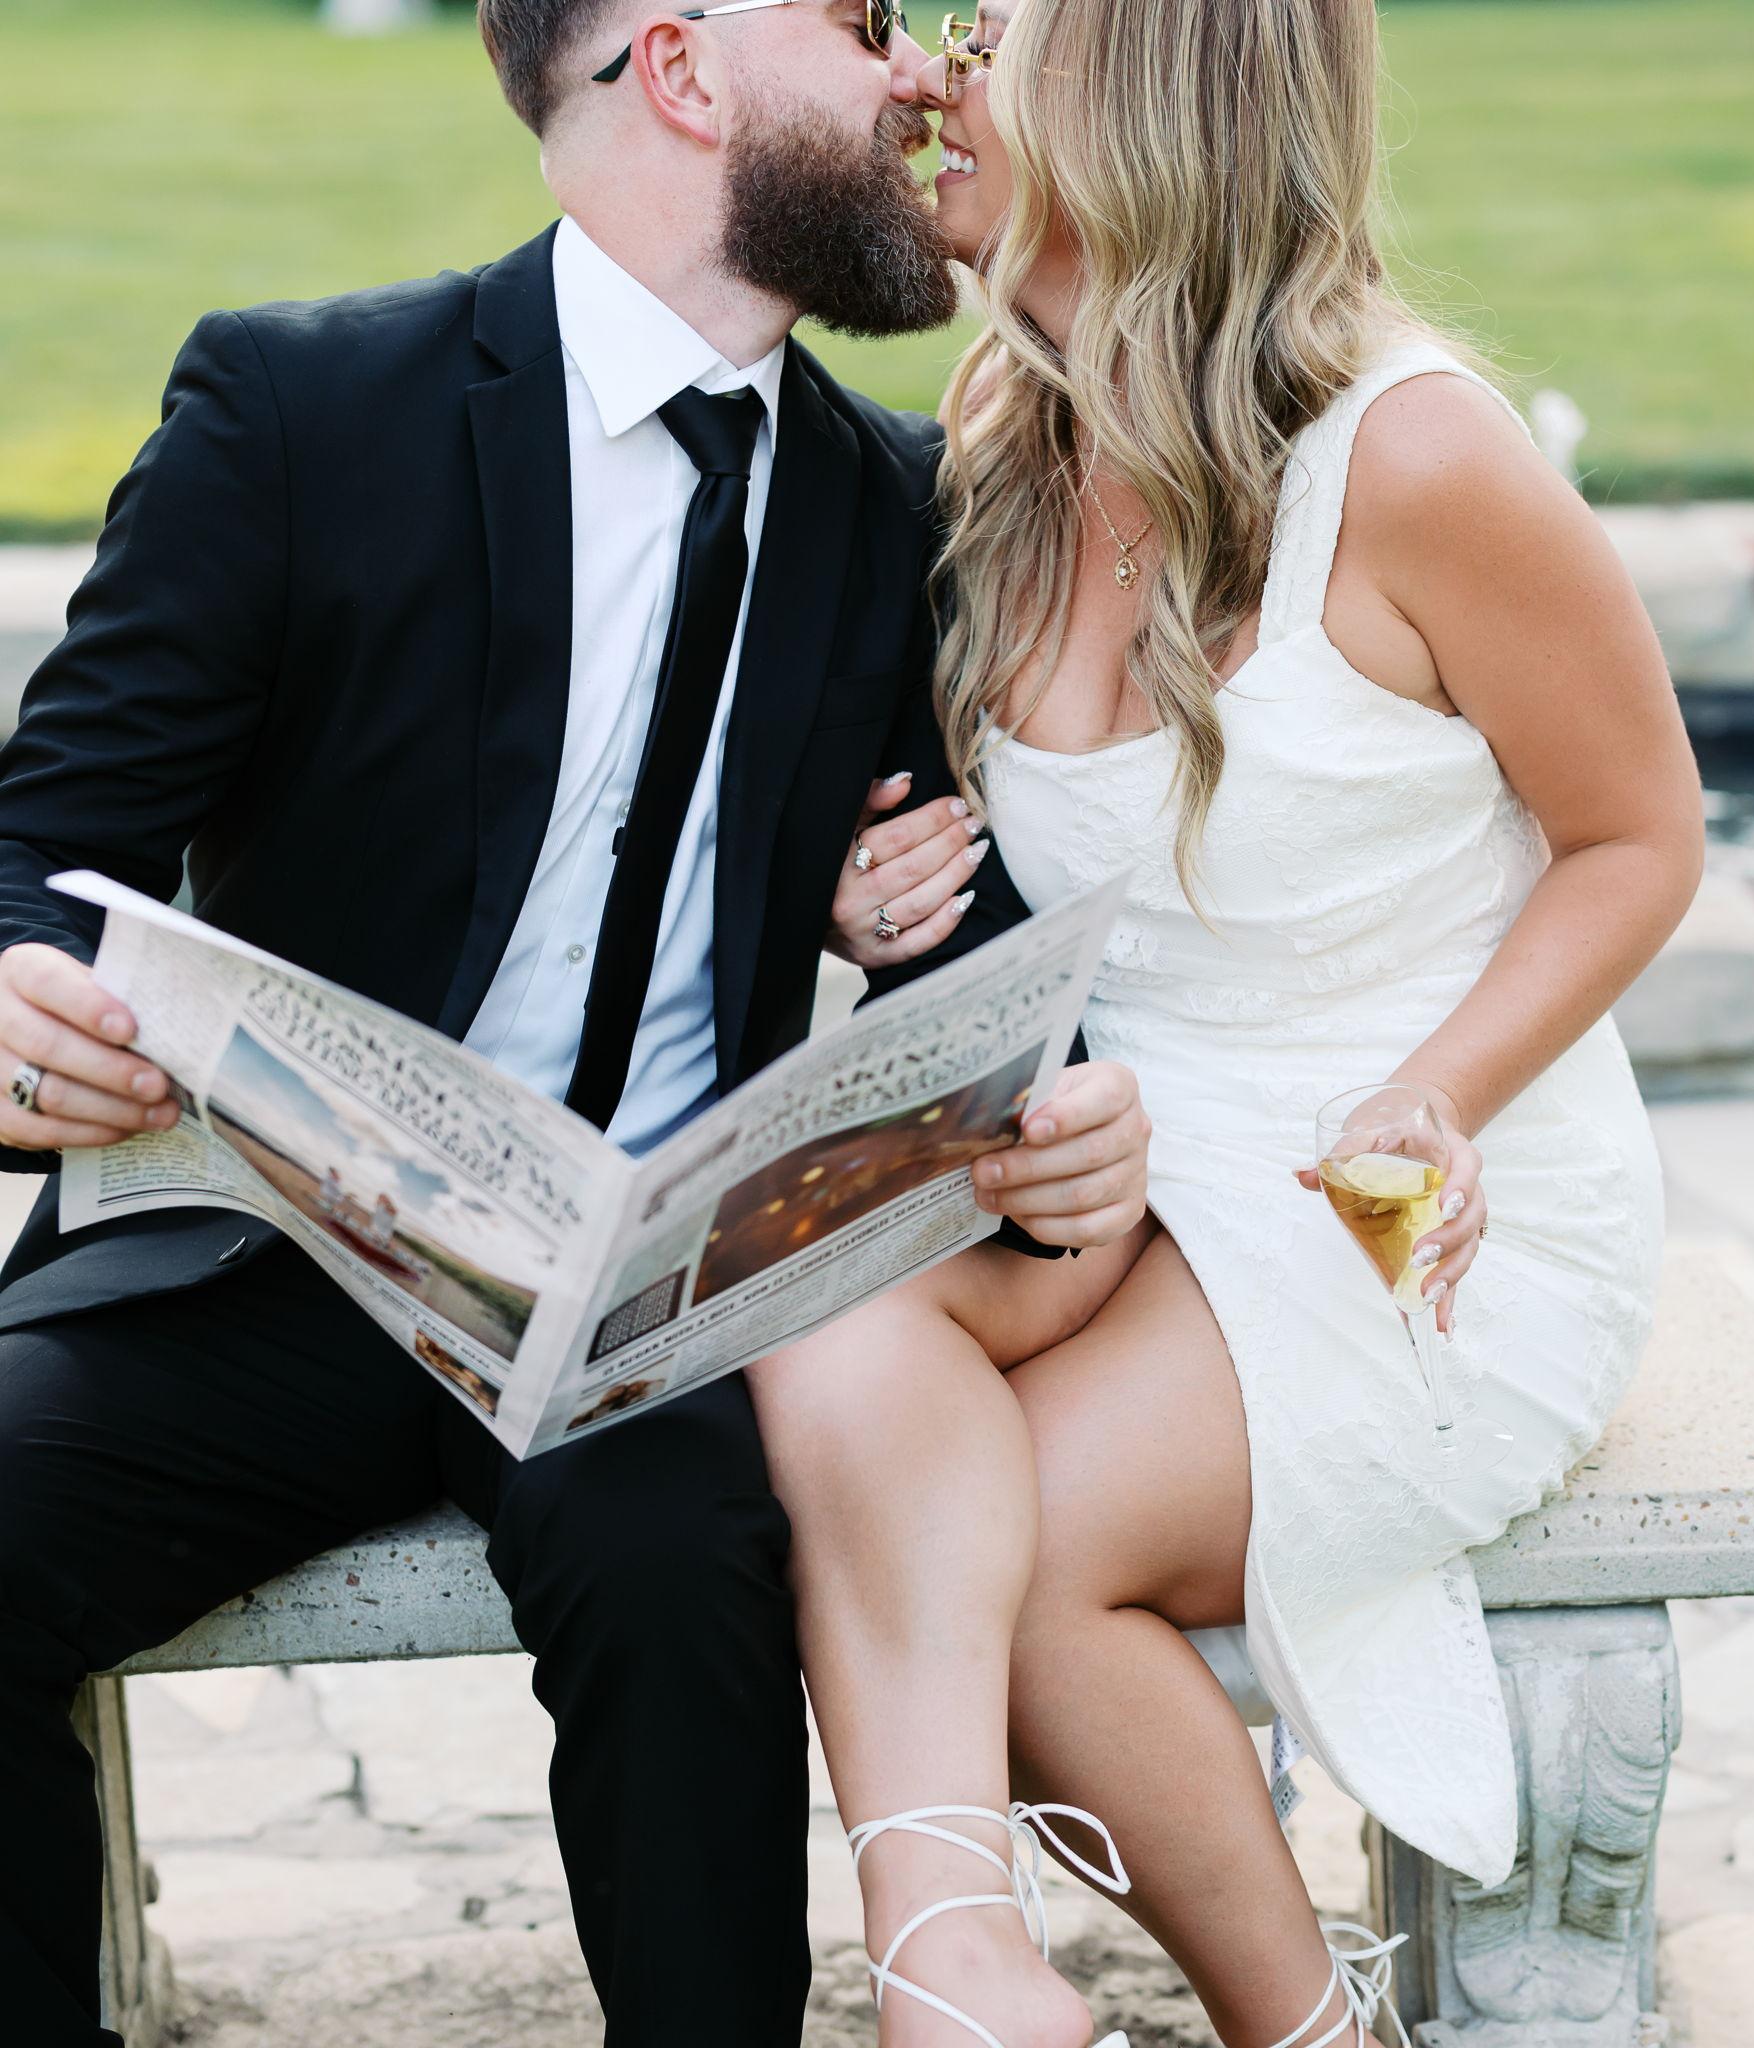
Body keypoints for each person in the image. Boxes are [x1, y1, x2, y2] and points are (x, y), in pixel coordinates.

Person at [0, 6, 1150, 2042]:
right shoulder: (299, 411)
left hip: (640, 1305)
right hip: (269, 1258)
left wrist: (1052, 1116)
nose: (917, 73)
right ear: (682, 73)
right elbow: (41, 848)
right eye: (859, 21)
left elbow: (955, 936)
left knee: (685, 1577)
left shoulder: (890, 501)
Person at [745, 1, 1705, 2044]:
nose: (927, 76)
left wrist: (1433, 1097)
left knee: (1018, 1547)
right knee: (824, 1344)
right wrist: (862, 889)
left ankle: (1298, 2026)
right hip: (1129, 1151)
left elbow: (1638, 838)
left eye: (984, 33)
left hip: (1412, 1191)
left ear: (1133, 100)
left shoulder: (1417, 456)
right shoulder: (1007, 435)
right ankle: (966, 1952)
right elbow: (1031, 872)